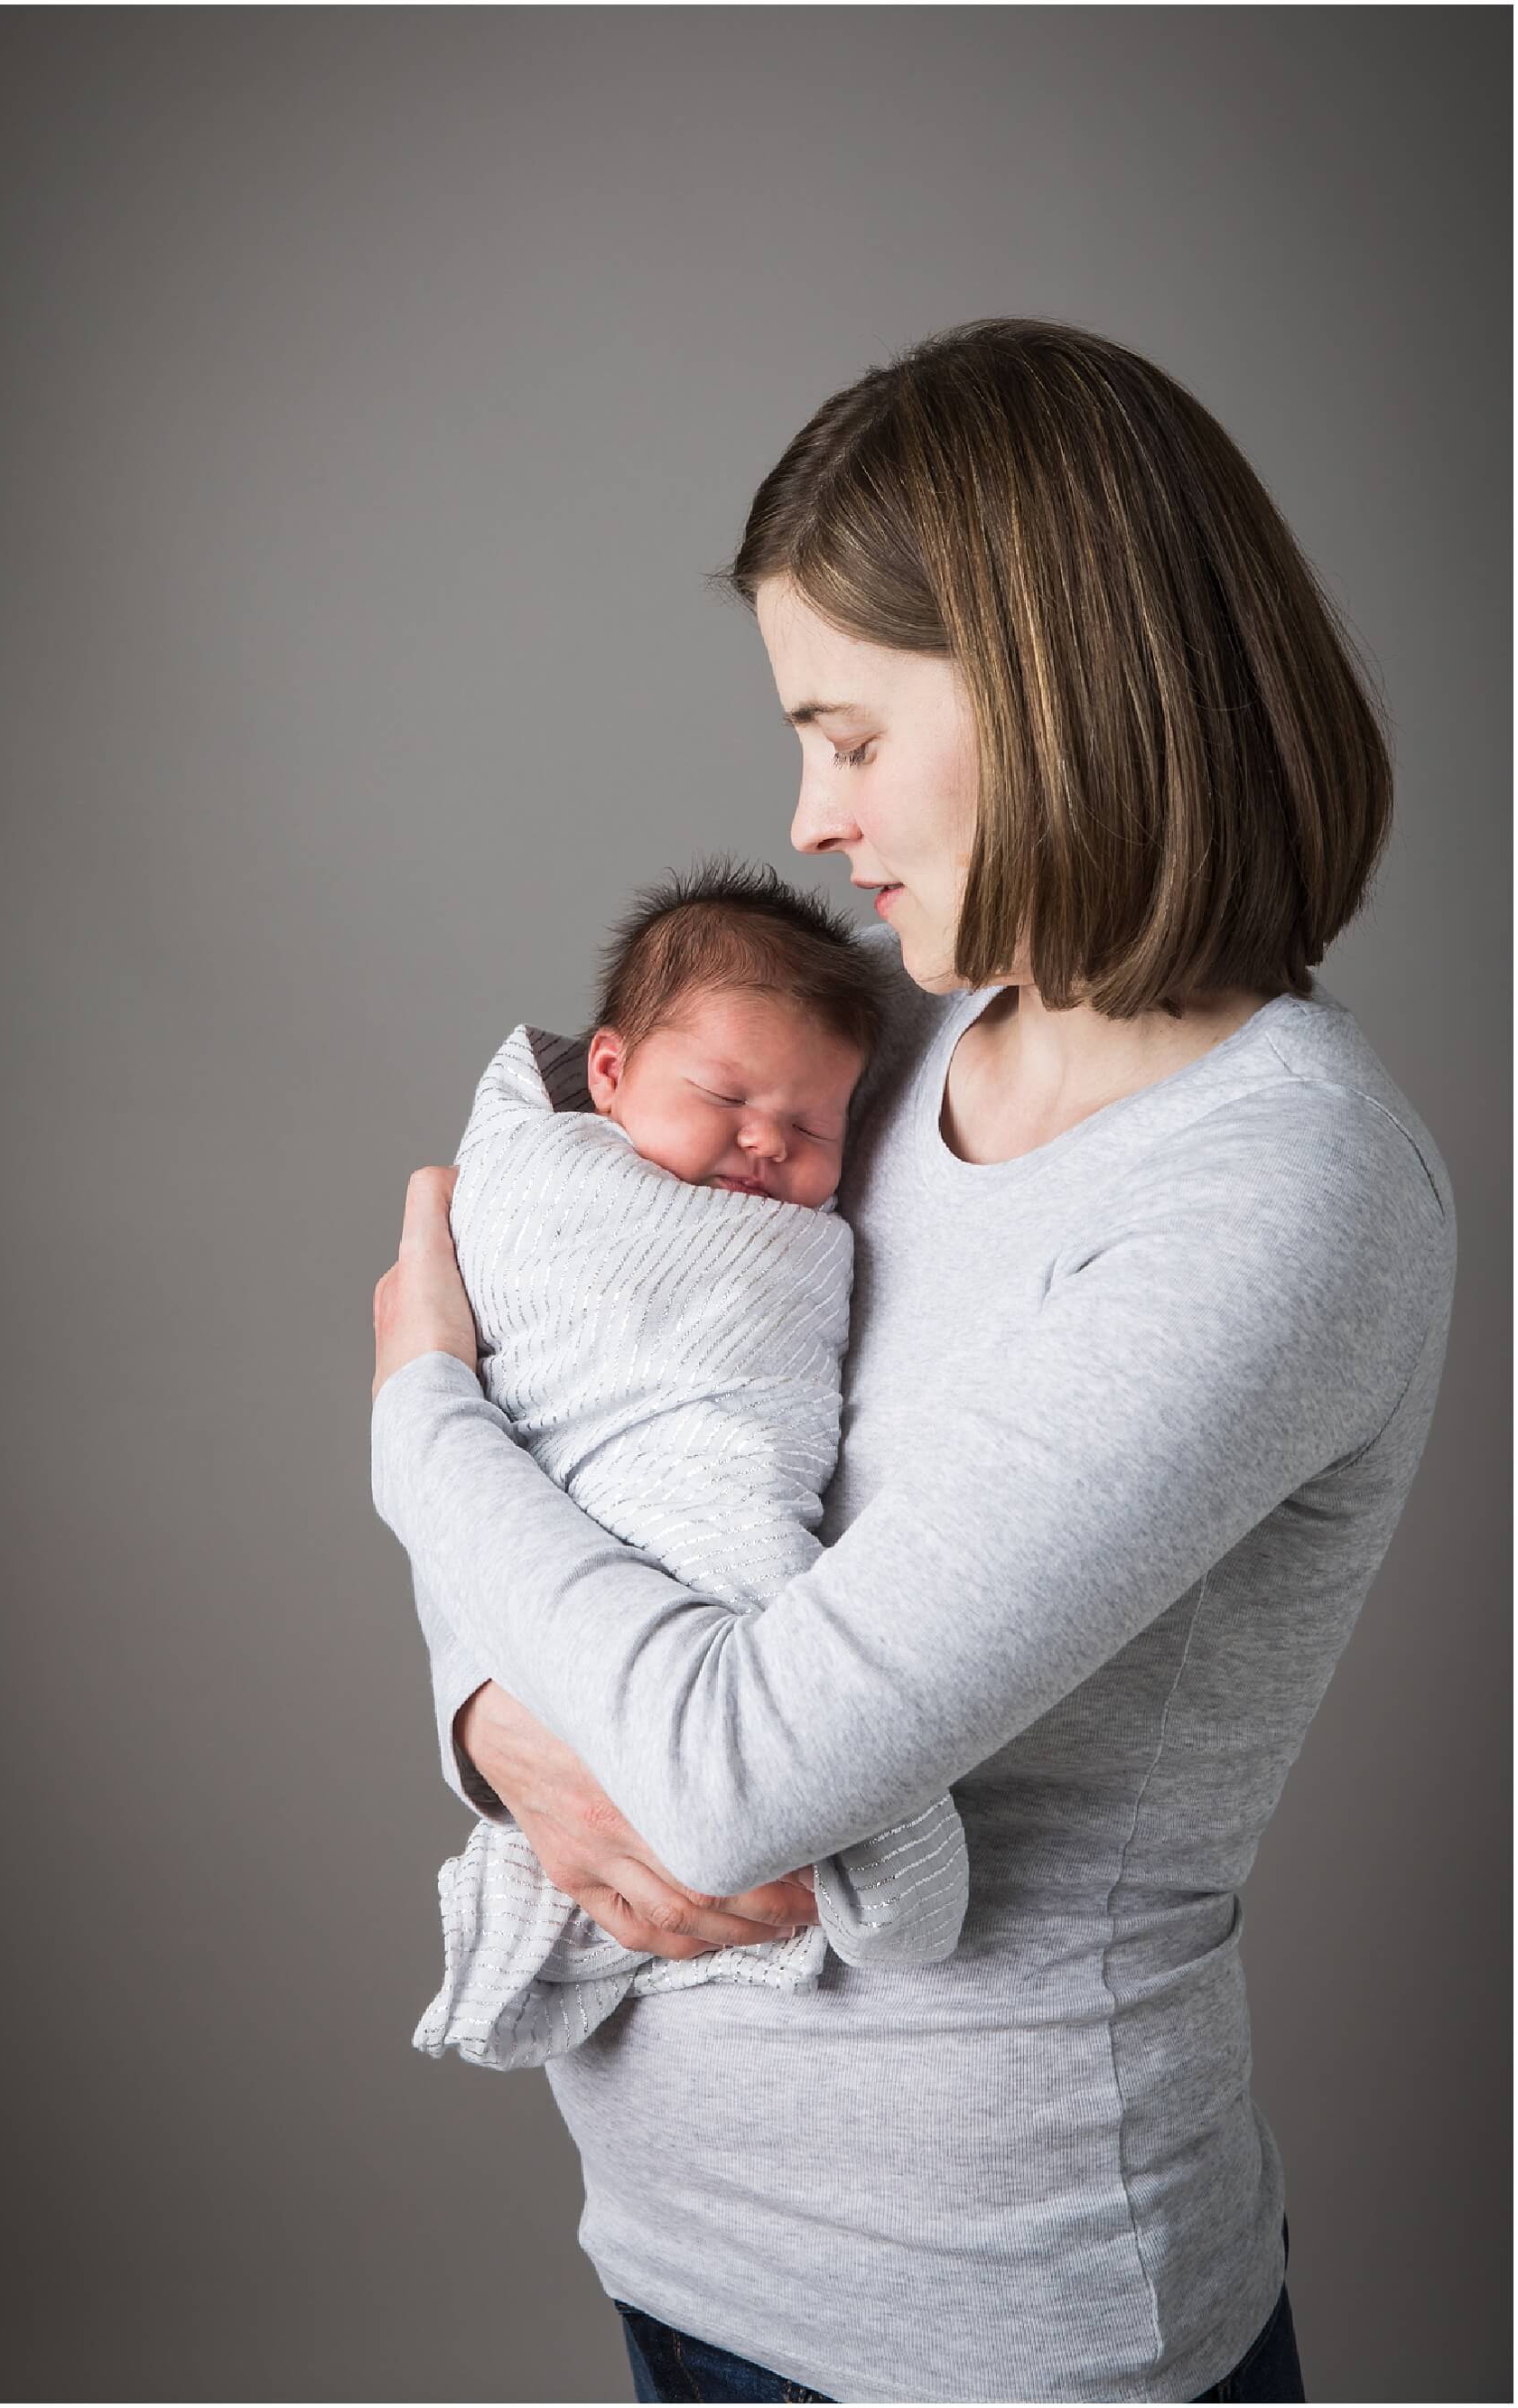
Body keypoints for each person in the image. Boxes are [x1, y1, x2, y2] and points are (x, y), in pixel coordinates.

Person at [369, 317, 1456, 2403]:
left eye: (851, 737)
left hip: (989, 2322)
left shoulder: (1276, 1193)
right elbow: (569, 1391)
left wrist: (410, 1420)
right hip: (680, 2249)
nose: (809, 813)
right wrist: (494, 1717)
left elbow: (741, 1772)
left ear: (1053, 691)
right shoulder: (887, 1042)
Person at [410, 862, 967, 2076]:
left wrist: (415, 1413)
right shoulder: (553, 1182)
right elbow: (457, 1418)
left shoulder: (885, 1031)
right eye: (725, 1095)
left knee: (760, 1614)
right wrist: (491, 1704)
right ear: (606, 1072)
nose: (768, 1140)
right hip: (651, 2225)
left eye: (814, 1126)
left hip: (728, 1481)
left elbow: (420, 1417)